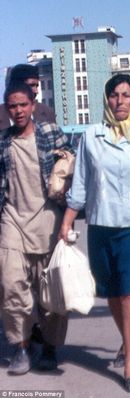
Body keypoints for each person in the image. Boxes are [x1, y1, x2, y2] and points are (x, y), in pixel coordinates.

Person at [59, 73, 130, 392]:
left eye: (125, 95)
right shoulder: (91, 136)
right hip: (100, 224)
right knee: (110, 294)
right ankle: (127, 340)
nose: (120, 101)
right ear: (106, 100)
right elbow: (80, 184)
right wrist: (67, 221)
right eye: (114, 95)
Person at [0, 81, 71, 374]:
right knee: (10, 286)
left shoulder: (50, 134)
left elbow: (72, 168)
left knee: (51, 293)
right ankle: (21, 347)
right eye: (12, 106)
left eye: (23, 105)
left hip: (48, 222)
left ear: (33, 105)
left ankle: (51, 347)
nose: (18, 111)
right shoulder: (3, 141)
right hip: (12, 221)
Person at [0, 64, 56, 129]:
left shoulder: (47, 113)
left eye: (36, 86)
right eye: (31, 85)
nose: (36, 91)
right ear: (16, 85)